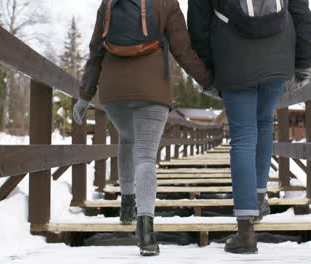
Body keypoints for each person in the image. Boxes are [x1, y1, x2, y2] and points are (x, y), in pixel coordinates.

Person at [73, 0, 212, 256]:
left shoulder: (109, 3)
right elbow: (183, 50)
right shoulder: (166, 3)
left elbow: (96, 51)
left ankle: (127, 204)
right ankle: (146, 230)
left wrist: (85, 95)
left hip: (114, 92)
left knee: (127, 138)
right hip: (152, 88)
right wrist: (207, 82)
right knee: (146, 155)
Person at [188, 0, 311, 254]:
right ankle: (257, 196)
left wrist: (208, 73)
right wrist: (304, 61)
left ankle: (245, 232)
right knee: (264, 121)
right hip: (279, 52)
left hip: (233, 56)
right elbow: (301, 13)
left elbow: (198, 26)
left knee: (243, 136)